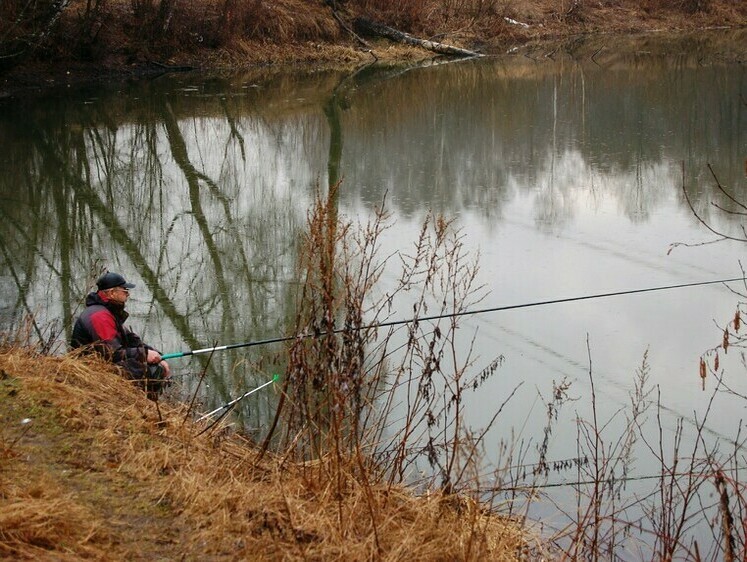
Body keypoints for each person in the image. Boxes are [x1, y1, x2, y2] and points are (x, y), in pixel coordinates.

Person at [71, 271, 170, 398]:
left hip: (103, 363)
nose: (127, 294)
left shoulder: (107, 311)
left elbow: (131, 339)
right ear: (112, 293)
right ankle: (144, 405)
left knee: (153, 364)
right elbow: (112, 353)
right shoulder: (100, 316)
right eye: (124, 291)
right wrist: (144, 355)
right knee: (150, 371)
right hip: (90, 370)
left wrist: (157, 355)